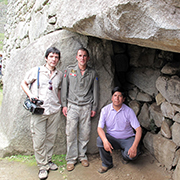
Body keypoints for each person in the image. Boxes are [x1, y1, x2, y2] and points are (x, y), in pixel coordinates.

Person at [21, 47, 63, 180]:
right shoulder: (37, 71)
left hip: (54, 111)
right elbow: (24, 83)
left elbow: (58, 90)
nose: (53, 59)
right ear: (46, 58)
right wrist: (31, 95)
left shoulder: (59, 74)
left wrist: (60, 103)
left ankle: (48, 160)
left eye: (56, 57)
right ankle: (42, 166)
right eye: (51, 56)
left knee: (51, 137)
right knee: (39, 139)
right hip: (40, 111)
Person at [61, 47, 99, 171]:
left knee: (85, 132)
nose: (82, 58)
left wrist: (94, 107)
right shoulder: (69, 70)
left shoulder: (92, 73)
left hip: (86, 106)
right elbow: (64, 88)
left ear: (88, 58)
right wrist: (64, 105)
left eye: (84, 56)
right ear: (76, 57)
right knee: (70, 133)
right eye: (80, 55)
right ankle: (71, 159)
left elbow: (96, 91)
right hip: (72, 105)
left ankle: (82, 156)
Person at [97, 86, 142, 173]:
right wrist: (105, 141)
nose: (117, 98)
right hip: (112, 138)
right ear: (111, 98)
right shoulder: (105, 110)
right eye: (115, 95)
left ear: (123, 99)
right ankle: (107, 164)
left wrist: (134, 146)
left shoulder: (129, 111)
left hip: (127, 139)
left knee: (132, 155)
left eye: (120, 96)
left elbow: (138, 129)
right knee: (100, 140)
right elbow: (99, 128)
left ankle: (125, 155)